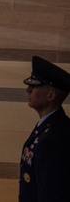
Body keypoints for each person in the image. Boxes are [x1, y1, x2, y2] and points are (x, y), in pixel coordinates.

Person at [20, 55, 70, 202]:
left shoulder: (52, 139)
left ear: (51, 95)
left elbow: (51, 194)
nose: (28, 89)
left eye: (35, 86)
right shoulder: (51, 126)